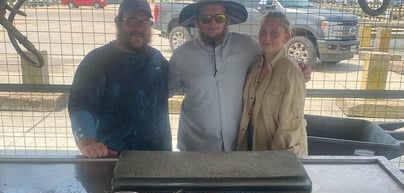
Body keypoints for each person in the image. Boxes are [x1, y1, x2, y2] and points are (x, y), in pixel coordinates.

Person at [169, 0, 311, 152]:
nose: (213, 23)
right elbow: (164, 91)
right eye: (206, 18)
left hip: (236, 147)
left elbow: (273, 54)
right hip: (194, 147)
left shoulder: (247, 46)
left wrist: (299, 66)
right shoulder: (181, 56)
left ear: (227, 20)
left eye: (219, 18)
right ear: (197, 21)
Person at [68, 0, 172, 158]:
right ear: (118, 22)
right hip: (113, 158)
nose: (139, 27)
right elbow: (80, 105)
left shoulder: (156, 58)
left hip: (158, 158)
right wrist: (86, 143)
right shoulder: (97, 61)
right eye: (132, 20)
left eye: (145, 22)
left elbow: (178, 85)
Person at [236, 12, 308, 156]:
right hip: (252, 139)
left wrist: (277, 160)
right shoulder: (255, 65)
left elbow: (290, 124)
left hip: (278, 150)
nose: (266, 38)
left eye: (274, 33)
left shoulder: (290, 71)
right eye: (263, 31)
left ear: (286, 37)